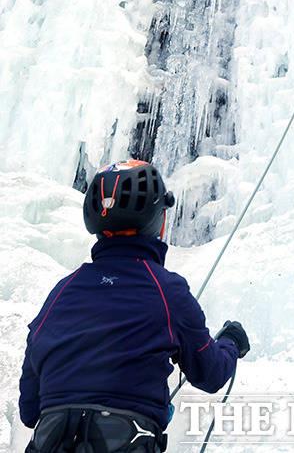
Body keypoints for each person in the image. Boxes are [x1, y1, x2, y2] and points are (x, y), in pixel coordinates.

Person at [19, 160, 250, 452]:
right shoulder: (167, 291)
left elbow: (29, 409)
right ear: (158, 220)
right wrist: (231, 342)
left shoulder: (61, 293)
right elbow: (211, 373)